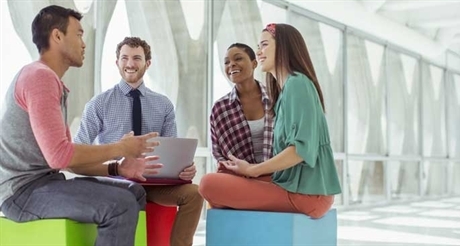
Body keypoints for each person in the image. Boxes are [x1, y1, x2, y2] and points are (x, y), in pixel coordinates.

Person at [0, 5, 161, 246]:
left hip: (45, 184)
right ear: (57, 36)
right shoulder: (39, 78)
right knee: (120, 205)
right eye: (78, 34)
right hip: (22, 193)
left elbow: (68, 159)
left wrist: (117, 169)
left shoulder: (50, 81)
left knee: (133, 192)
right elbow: (60, 157)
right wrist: (122, 148)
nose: (84, 44)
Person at [199, 23, 342, 219]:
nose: (259, 51)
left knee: (208, 184)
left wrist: (253, 170)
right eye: (258, 46)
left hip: (307, 194)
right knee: (222, 179)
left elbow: (300, 150)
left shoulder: (298, 84)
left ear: (283, 46)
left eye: (264, 45)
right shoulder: (284, 93)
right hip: (292, 185)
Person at [74, 36, 203, 246]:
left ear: (147, 63)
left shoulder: (163, 105)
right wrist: (116, 158)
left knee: (195, 194)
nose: (130, 63)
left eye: (137, 58)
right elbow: (78, 150)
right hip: (116, 181)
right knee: (131, 194)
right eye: (124, 58)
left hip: (152, 183)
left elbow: (172, 152)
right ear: (117, 63)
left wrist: (184, 169)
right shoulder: (98, 104)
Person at [210, 43, 274, 173]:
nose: (231, 64)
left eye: (238, 58)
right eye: (226, 62)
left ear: (254, 63)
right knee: (208, 182)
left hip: (278, 175)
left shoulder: (276, 98)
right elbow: (219, 154)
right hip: (240, 177)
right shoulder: (220, 108)